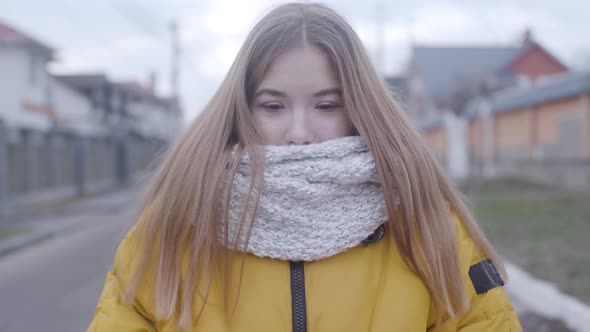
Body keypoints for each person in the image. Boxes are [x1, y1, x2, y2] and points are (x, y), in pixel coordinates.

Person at [87, 2, 522, 331]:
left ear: (358, 107)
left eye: (326, 105)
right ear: (242, 110)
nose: (299, 132)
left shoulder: (426, 224)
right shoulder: (177, 223)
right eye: (273, 105)